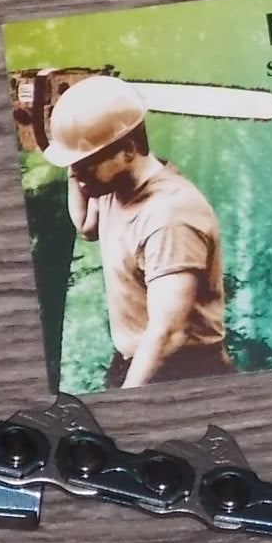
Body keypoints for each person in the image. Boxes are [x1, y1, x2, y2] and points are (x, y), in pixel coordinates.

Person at [43, 75, 234, 388]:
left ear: (128, 150)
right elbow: (86, 226)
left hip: (182, 369)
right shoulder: (112, 186)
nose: (77, 173)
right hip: (139, 357)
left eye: (85, 163)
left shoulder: (170, 217)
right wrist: (74, 159)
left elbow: (169, 334)